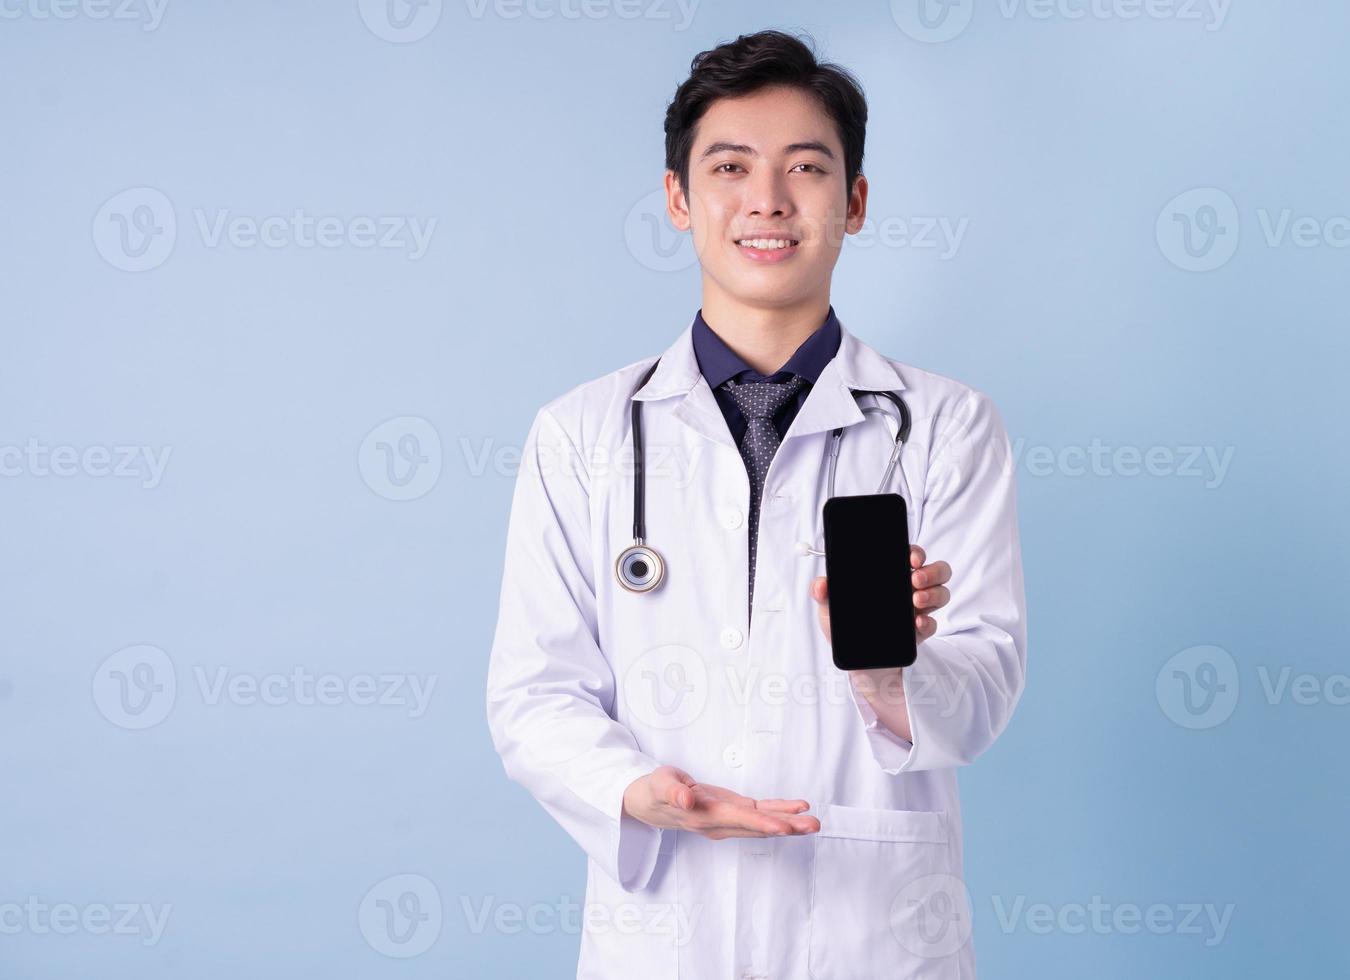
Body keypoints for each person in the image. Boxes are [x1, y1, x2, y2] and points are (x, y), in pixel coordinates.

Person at [485, 29, 1027, 980]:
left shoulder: (946, 425)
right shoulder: (580, 434)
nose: (768, 201)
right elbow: (534, 694)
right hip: (666, 930)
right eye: (730, 166)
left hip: (877, 936)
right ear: (678, 199)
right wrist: (637, 791)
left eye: (806, 169)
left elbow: (983, 686)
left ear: (853, 203)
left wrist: (889, 675)